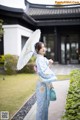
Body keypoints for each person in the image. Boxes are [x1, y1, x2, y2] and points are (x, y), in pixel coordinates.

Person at [34, 42, 57, 120]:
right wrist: (52, 76)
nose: (44, 49)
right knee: (41, 105)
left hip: (45, 84)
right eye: (41, 47)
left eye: (44, 47)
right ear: (38, 49)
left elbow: (46, 69)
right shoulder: (39, 59)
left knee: (45, 104)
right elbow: (43, 72)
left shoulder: (42, 58)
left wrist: (49, 63)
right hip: (42, 85)